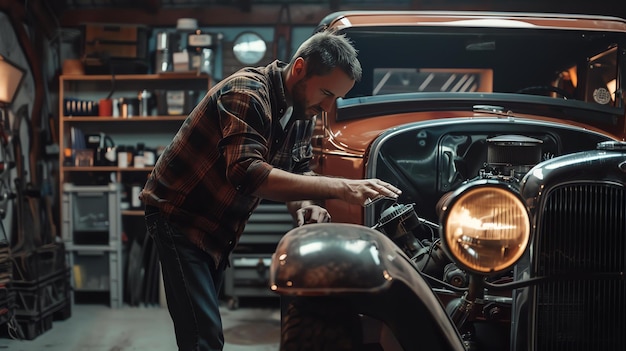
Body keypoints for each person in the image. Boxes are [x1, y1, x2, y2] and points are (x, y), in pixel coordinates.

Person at [139, 30, 402, 351]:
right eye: (326, 93)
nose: (327, 106)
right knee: (203, 336)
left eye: (336, 98)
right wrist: (343, 187)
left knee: (204, 332)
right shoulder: (246, 92)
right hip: (179, 216)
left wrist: (306, 203)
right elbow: (246, 173)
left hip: (218, 226)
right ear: (300, 68)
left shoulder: (304, 111)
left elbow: (300, 169)